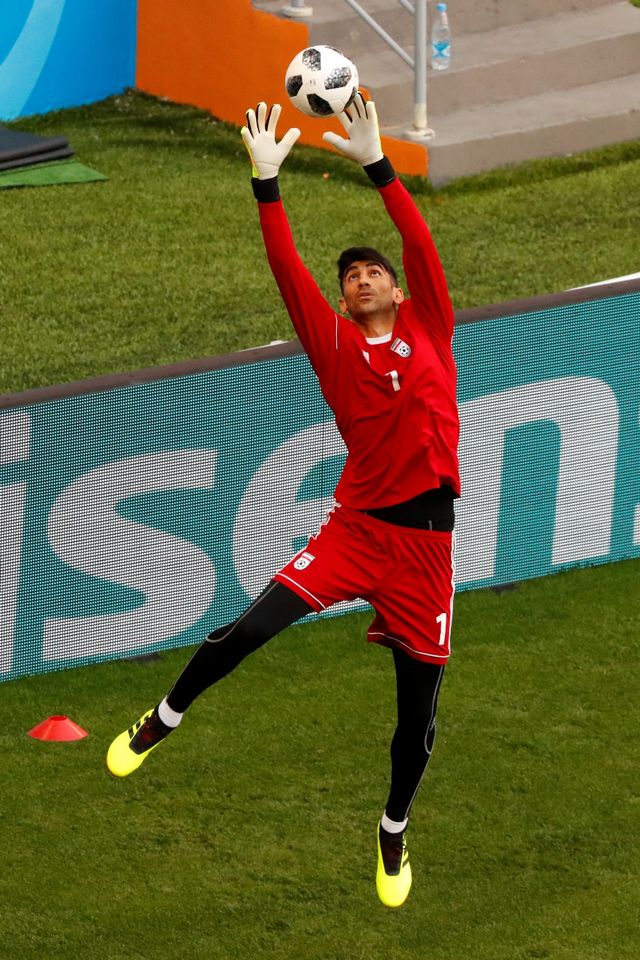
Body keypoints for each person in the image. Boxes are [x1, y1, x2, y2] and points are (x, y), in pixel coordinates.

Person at [107, 95, 460, 909]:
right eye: (350, 277)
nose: (361, 277)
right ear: (341, 304)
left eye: (373, 270)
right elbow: (287, 271)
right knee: (249, 628)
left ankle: (394, 831)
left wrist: (380, 165)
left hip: (427, 554)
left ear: (400, 291)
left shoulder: (432, 326)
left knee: (418, 719)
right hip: (358, 532)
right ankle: (163, 717)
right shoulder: (334, 348)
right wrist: (267, 184)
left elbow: (420, 240)